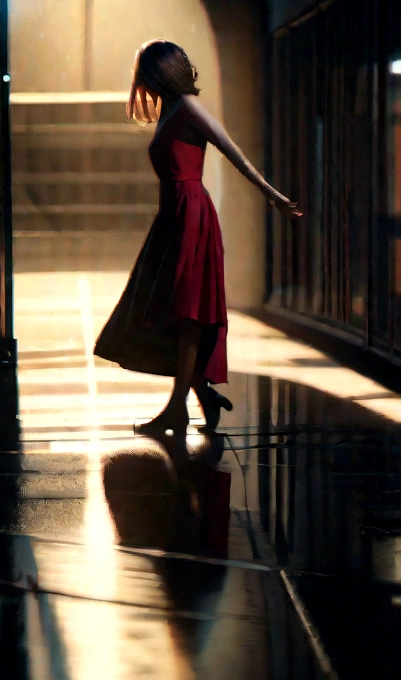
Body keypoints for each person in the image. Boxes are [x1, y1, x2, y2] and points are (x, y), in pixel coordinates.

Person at [94, 39, 302, 438]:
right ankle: (200, 395)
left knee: (187, 311)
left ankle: (178, 409)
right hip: (172, 216)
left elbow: (232, 151)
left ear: (159, 72)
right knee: (166, 308)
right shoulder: (170, 110)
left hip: (190, 216)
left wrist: (274, 198)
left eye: (144, 72)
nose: (139, 80)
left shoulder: (187, 107)